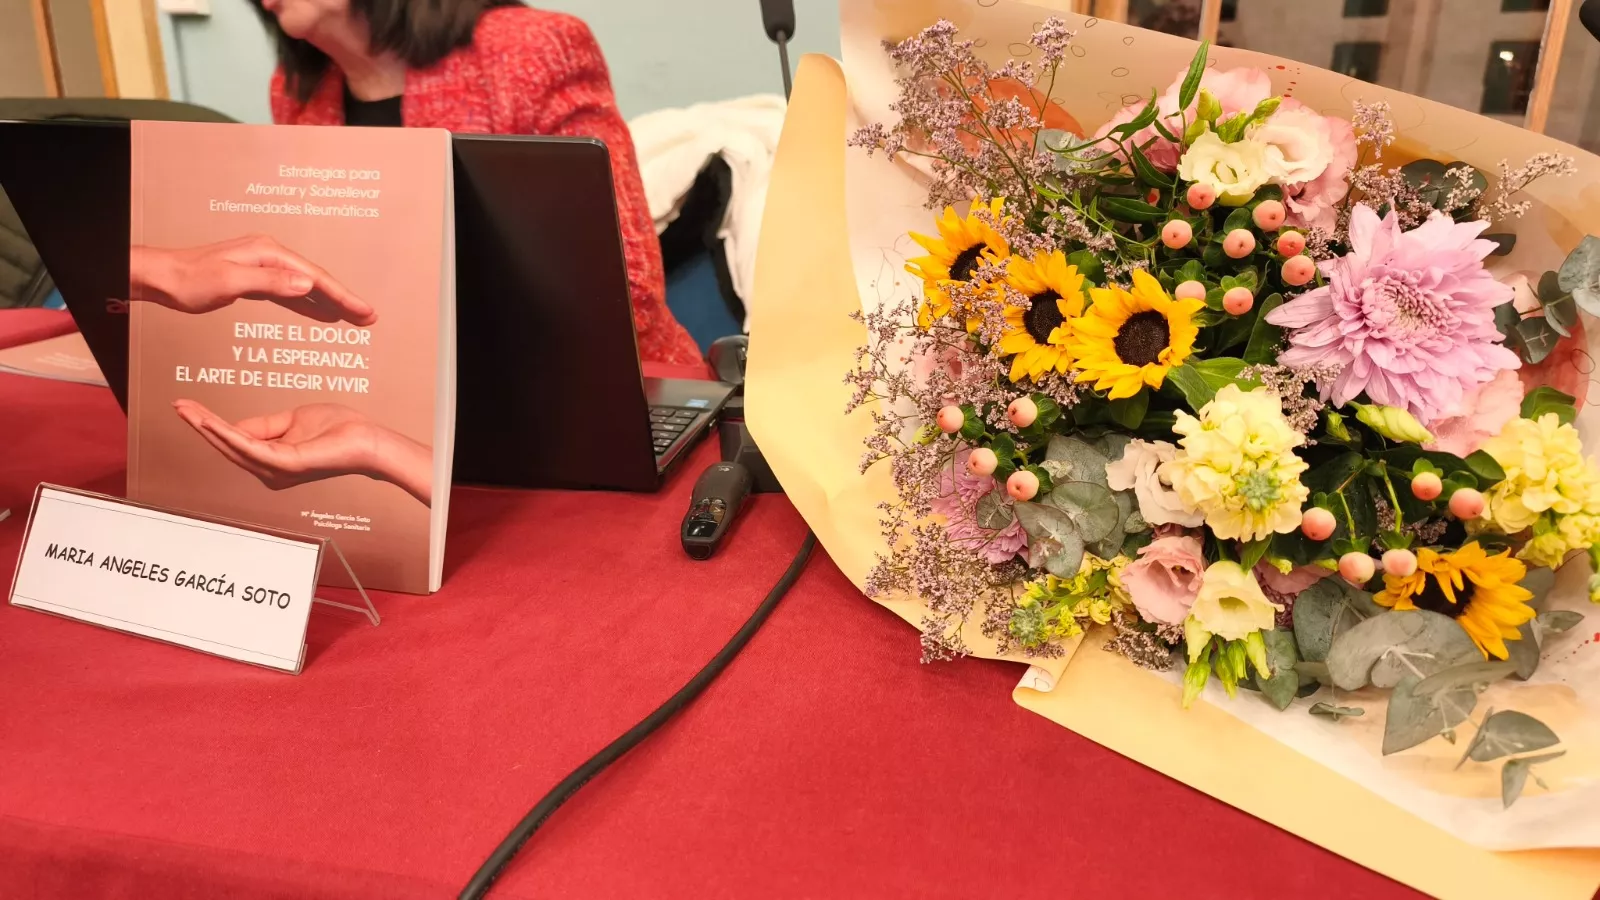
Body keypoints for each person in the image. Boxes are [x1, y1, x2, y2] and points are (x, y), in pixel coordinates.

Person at [248, 0, 702, 366]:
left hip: (595, 388)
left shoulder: (531, 48)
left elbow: (626, 284)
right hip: (393, 392)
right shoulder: (295, 92)